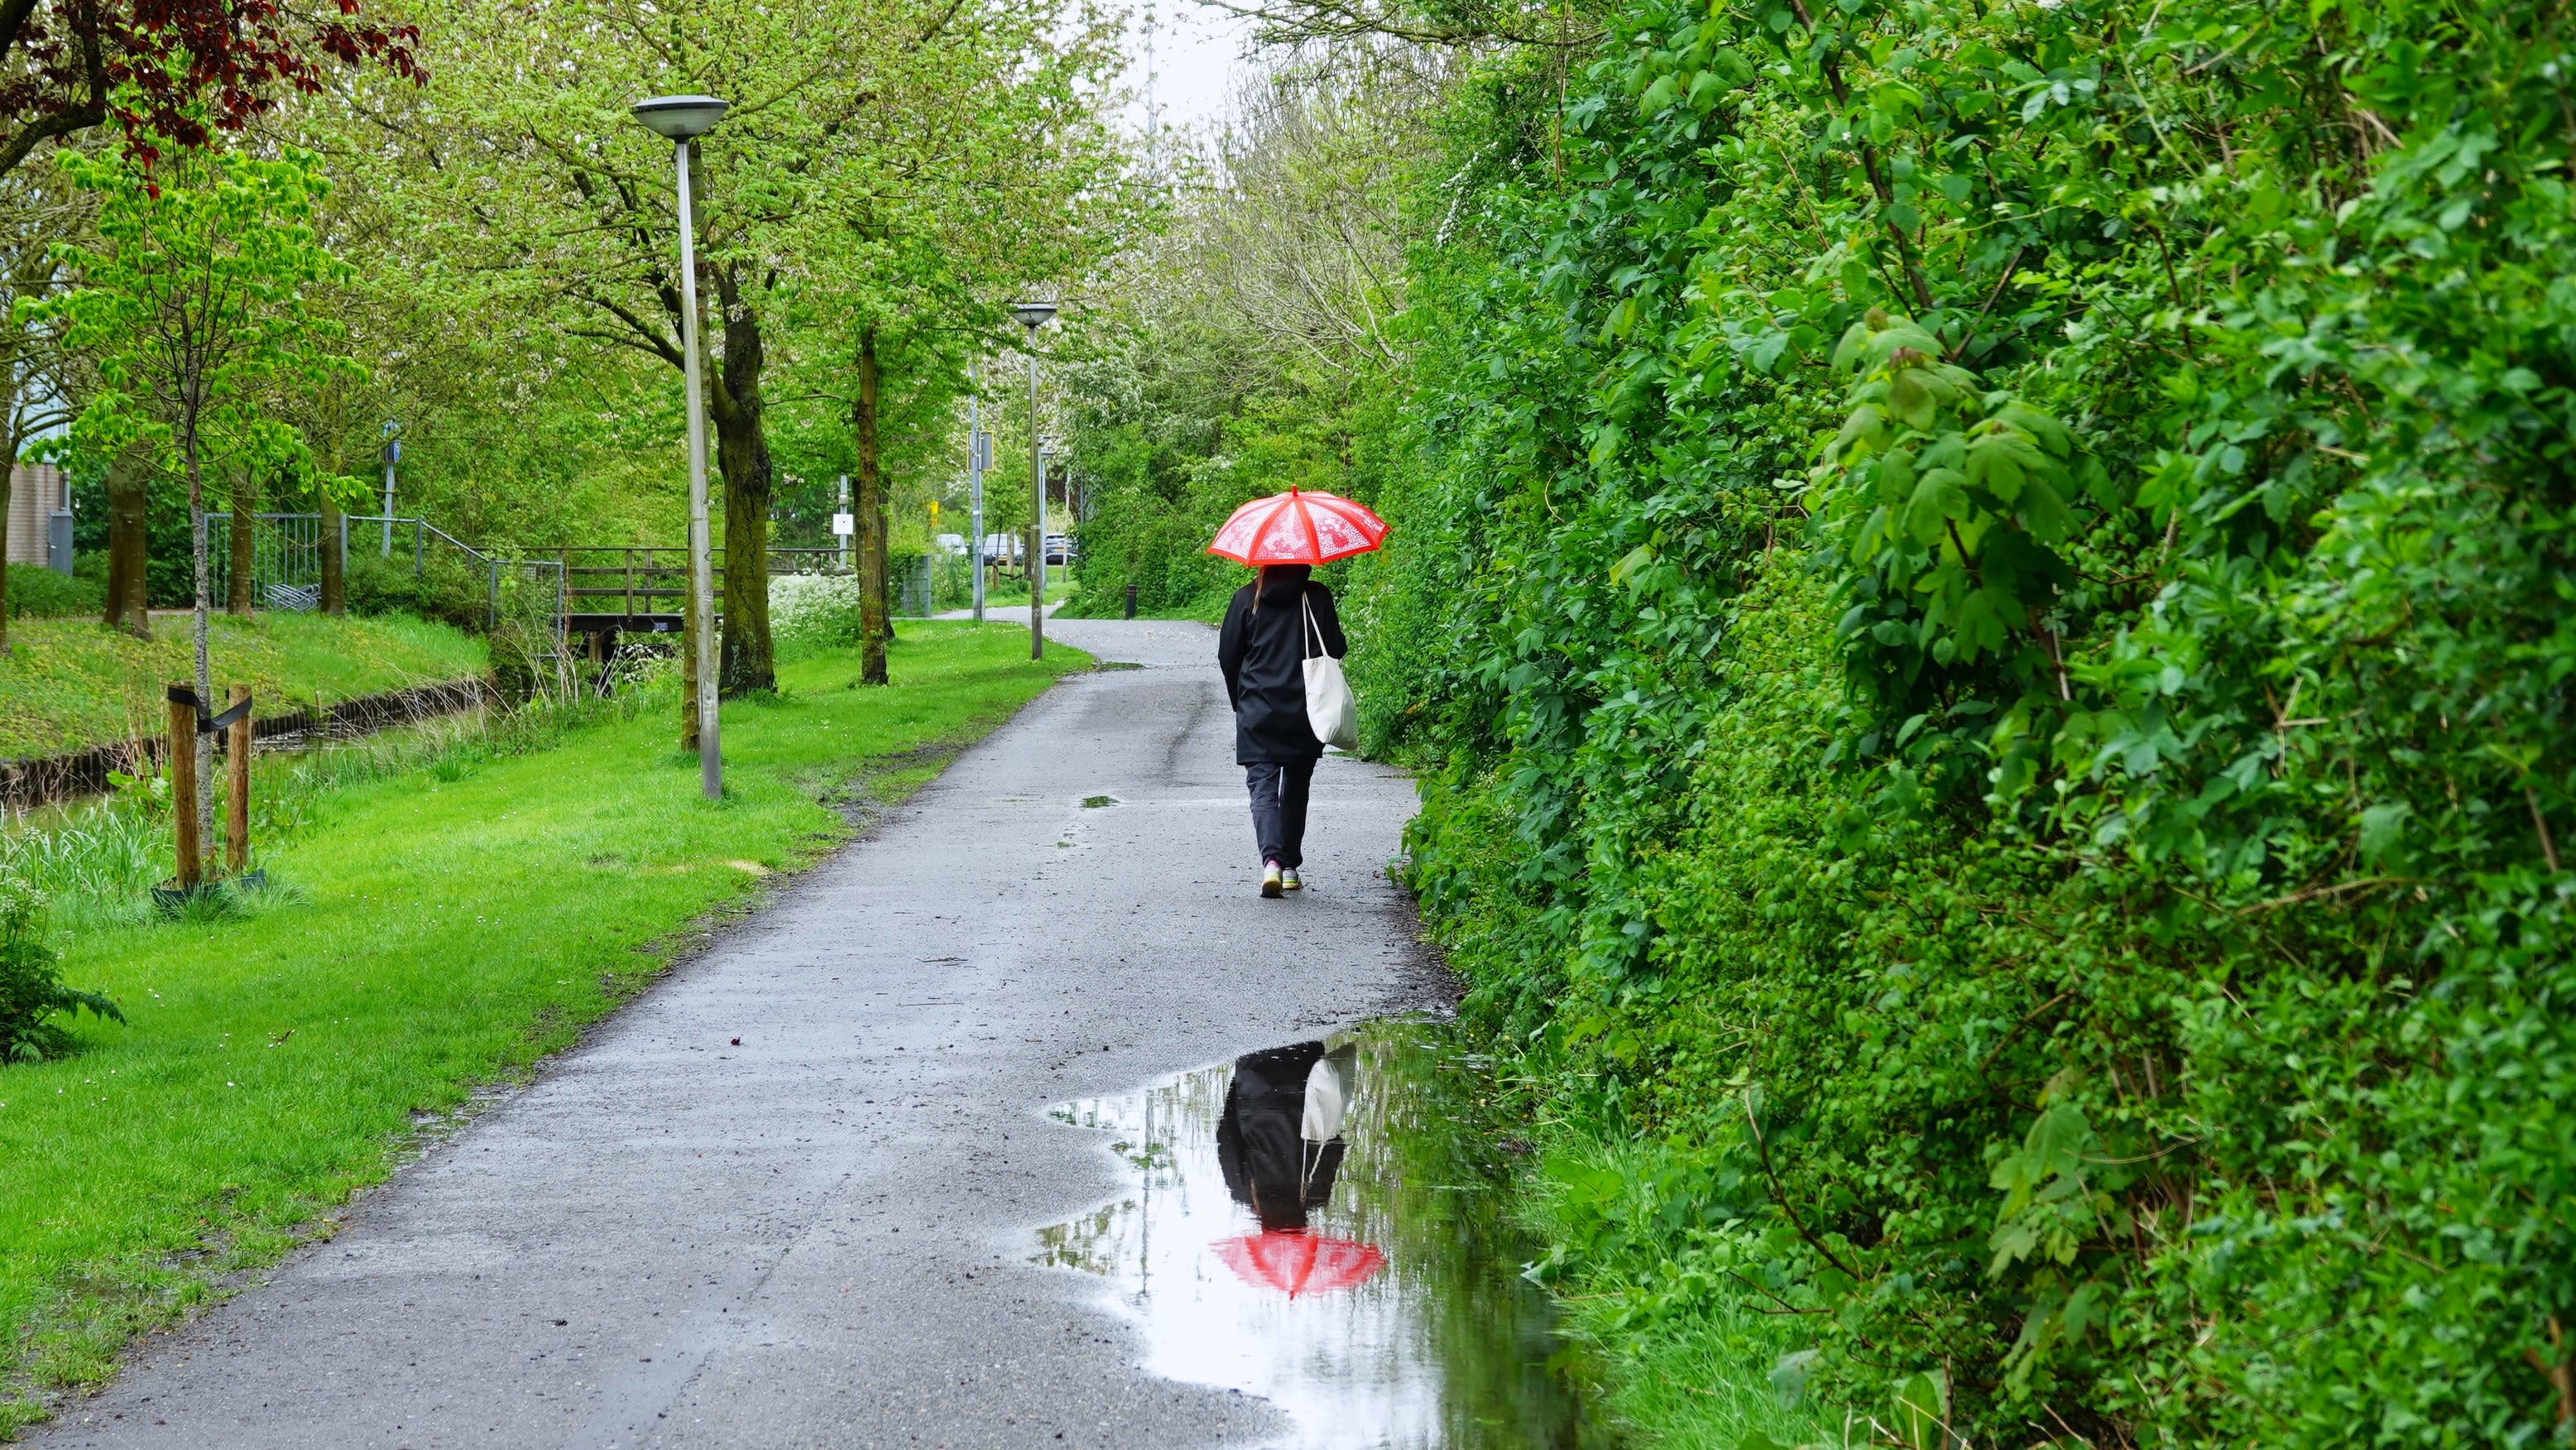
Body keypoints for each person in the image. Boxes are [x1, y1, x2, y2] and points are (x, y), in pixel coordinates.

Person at [1216, 563, 1346, 897]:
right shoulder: (1316, 596)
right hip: (1306, 710)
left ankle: (1271, 862)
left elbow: (1228, 657)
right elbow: (1336, 647)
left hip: (1257, 710)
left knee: (1262, 788)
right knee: (1296, 787)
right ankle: (1289, 867)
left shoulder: (1247, 598)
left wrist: (1240, 700)